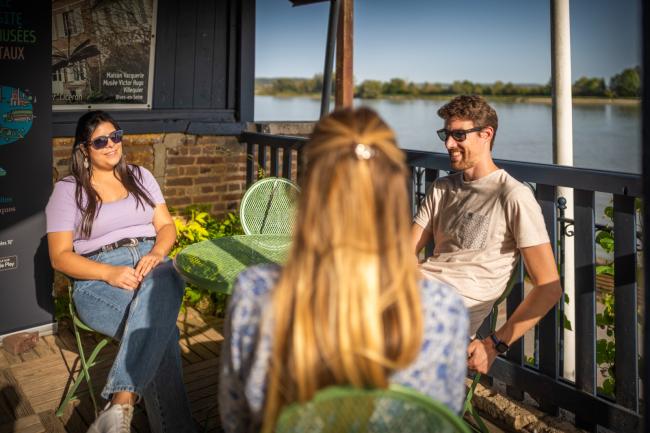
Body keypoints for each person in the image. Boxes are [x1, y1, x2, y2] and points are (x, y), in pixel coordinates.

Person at [218, 107, 469, 433]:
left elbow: (236, 420)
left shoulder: (255, 293)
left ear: (309, 196)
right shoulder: (442, 311)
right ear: (394, 196)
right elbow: (440, 421)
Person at [45, 111, 196, 433]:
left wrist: (156, 253)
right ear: (84, 149)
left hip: (150, 261)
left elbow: (166, 226)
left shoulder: (140, 176)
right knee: (163, 333)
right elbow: (59, 257)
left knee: (169, 273)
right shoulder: (68, 190)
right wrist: (108, 273)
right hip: (98, 276)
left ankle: (120, 404)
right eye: (101, 141)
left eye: (116, 136)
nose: (112, 145)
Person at [411, 95, 563, 375]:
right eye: (446, 134)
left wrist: (494, 344)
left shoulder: (512, 195)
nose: (448, 144)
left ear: (486, 134)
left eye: (459, 135)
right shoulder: (442, 188)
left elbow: (549, 287)